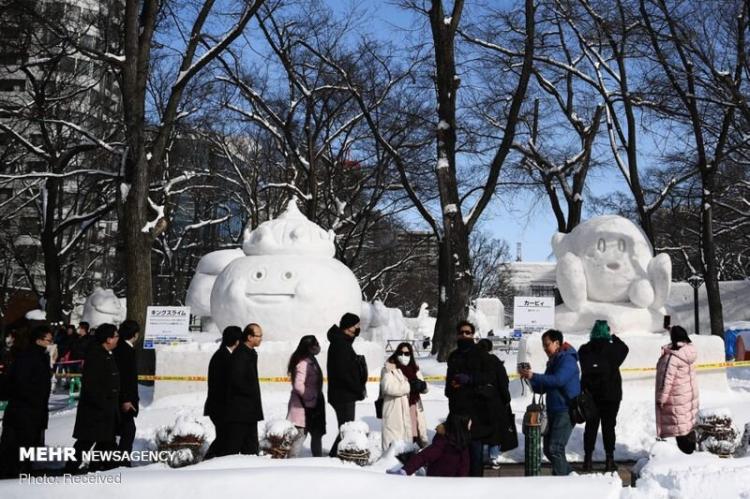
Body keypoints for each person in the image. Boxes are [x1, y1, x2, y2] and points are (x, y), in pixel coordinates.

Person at [518, 329, 581, 476]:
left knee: (555, 448)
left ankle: (567, 480)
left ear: (557, 343)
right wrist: (529, 378)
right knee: (548, 449)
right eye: (543, 346)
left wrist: (534, 375)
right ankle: (567, 476)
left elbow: (558, 380)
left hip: (565, 410)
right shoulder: (553, 361)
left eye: (547, 345)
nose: (545, 349)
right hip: (552, 410)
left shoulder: (567, 360)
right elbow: (544, 387)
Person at [0, 325, 53, 478]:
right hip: (24, 410)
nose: (50, 343)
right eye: (48, 340)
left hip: (31, 409)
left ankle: (22, 470)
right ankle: (14, 474)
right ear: (38, 340)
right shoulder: (29, 357)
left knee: (25, 445)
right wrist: (32, 398)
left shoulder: (40, 356)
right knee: (17, 446)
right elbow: (20, 383)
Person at [445, 320, 496, 476]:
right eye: (461, 332)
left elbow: (490, 377)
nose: (464, 335)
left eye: (468, 332)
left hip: (476, 411)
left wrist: (470, 379)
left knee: (475, 453)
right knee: (458, 452)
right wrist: (450, 388)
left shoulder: (481, 354)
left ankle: (476, 486)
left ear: (473, 335)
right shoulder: (453, 355)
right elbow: (449, 379)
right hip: (457, 410)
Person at [578, 320, 629, 472]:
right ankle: (609, 460)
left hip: (591, 395)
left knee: (591, 427)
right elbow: (625, 348)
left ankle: (587, 460)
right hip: (611, 395)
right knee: (609, 427)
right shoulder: (613, 349)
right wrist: (615, 337)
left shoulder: (584, 350)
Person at [69, 323, 120, 473]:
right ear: (108, 339)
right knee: (85, 442)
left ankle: (100, 468)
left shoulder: (105, 355)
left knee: (106, 442)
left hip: (105, 410)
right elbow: (92, 385)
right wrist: (103, 403)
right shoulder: (96, 356)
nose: (118, 339)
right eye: (116, 336)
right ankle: (70, 469)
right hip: (95, 410)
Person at [327, 312, 367, 457]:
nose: (358, 328)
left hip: (343, 393)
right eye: (356, 325)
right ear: (349, 327)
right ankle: (335, 456)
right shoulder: (340, 344)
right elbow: (344, 373)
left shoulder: (342, 342)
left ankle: (337, 455)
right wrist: (357, 388)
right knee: (346, 429)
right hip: (343, 395)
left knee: (345, 428)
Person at [380, 342, 429, 452]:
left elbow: (424, 386)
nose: (404, 356)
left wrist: (423, 386)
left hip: (413, 407)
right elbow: (387, 387)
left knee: (415, 435)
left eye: (407, 353)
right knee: (397, 443)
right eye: (401, 353)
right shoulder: (389, 369)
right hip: (396, 410)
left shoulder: (415, 369)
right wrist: (409, 386)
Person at [389, 415, 472, 477]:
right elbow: (424, 456)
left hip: (453, 487)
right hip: (435, 483)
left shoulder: (463, 443)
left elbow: (464, 467)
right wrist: (405, 470)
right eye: (468, 424)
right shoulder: (443, 442)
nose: (470, 426)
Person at [225, 323, 264, 455]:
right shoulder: (240, 354)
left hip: (250, 410)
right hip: (240, 411)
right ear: (249, 337)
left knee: (251, 448)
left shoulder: (251, 353)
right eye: (258, 336)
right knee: (233, 447)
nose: (260, 339)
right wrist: (251, 392)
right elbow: (237, 381)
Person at [655, 325, 699, 442]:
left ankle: (681, 455)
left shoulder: (672, 357)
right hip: (688, 396)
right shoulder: (688, 351)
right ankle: (690, 450)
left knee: (678, 430)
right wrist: (671, 328)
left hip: (676, 398)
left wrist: (661, 399)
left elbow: (666, 380)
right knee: (687, 426)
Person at [204, 326, 242, 459]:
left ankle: (212, 459)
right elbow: (222, 386)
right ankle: (210, 460)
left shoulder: (225, 355)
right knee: (224, 438)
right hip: (220, 407)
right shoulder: (222, 358)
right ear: (237, 341)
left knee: (224, 437)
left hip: (223, 406)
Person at [477, 338, 514, 470]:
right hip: (495, 402)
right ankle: (493, 457)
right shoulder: (496, 363)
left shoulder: (473, 362)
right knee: (495, 431)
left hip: (477, 401)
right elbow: (503, 383)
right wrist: (506, 399)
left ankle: (478, 457)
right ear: (490, 348)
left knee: (479, 430)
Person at [286, 335, 326, 457]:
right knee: (300, 436)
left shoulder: (311, 360)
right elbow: (298, 385)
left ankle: (317, 461)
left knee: (316, 434)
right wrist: (310, 396)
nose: (318, 347)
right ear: (310, 347)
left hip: (314, 406)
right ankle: (291, 466)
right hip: (303, 407)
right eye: (316, 344)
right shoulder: (303, 363)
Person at [113, 319, 140, 465]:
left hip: (122, 398)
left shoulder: (120, 348)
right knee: (128, 430)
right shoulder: (125, 350)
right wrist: (126, 399)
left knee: (123, 431)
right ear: (135, 334)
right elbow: (124, 377)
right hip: (124, 400)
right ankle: (122, 462)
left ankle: (116, 460)